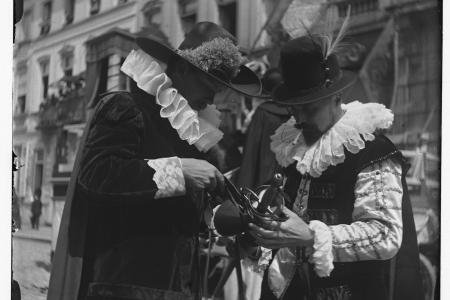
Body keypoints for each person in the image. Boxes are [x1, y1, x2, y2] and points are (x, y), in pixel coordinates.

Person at [47, 22, 262, 300]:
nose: (213, 96)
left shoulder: (193, 133)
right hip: (124, 285)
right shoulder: (128, 108)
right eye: (210, 83)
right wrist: (179, 171)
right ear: (183, 68)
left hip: (177, 288)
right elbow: (96, 175)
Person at [248, 34, 424, 299]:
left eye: (310, 107)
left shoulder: (371, 150)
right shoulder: (292, 147)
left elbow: (385, 235)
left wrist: (310, 235)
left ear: (335, 96)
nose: (301, 118)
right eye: (294, 109)